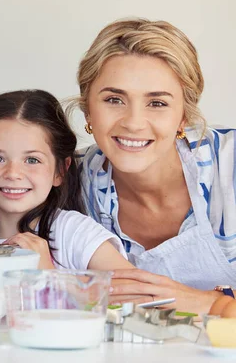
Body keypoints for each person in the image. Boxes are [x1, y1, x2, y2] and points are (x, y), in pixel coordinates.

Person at [74, 18, 236, 314]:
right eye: (114, 99)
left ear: (184, 117)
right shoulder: (67, 182)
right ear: (88, 110)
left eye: (157, 103)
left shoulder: (231, 166)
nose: (134, 122)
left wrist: (207, 303)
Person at [0, 90, 132, 271]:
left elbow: (139, 297)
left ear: (60, 171)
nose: (13, 173)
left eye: (32, 160)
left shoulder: (75, 233)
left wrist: (49, 275)